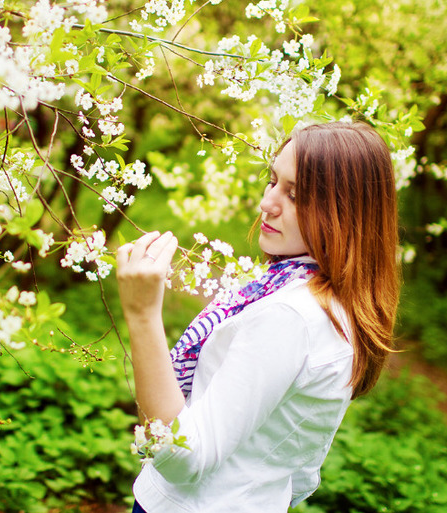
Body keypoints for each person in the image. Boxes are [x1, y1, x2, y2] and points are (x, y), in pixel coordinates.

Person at [116, 121, 400, 513]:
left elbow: (182, 457)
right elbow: (303, 468)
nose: (268, 202)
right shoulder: (323, 301)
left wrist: (142, 314)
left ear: (345, 213)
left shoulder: (291, 317)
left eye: (296, 194)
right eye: (272, 181)